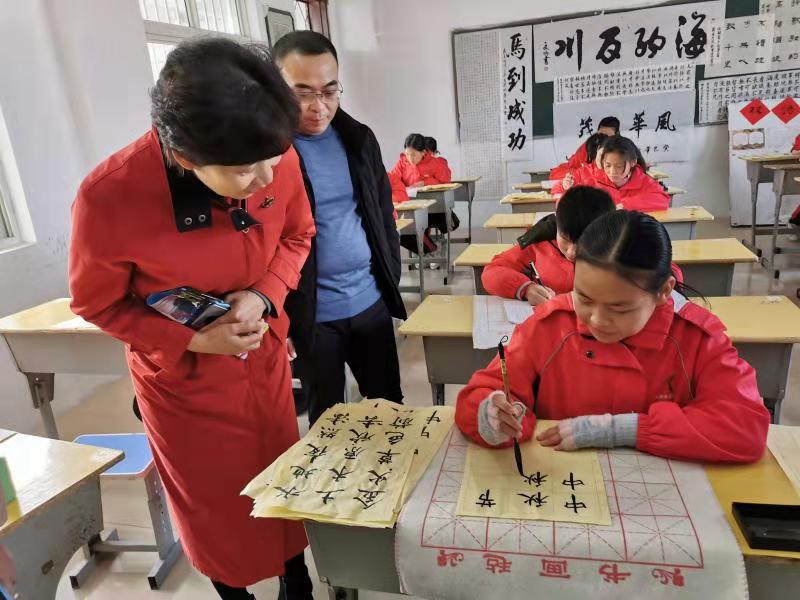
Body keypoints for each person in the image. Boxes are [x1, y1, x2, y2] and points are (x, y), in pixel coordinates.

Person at [69, 38, 315, 599]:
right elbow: (97, 303)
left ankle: (295, 577)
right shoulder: (109, 197)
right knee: (215, 504)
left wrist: (264, 294)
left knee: (282, 476)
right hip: (184, 385)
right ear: (185, 159)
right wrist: (194, 341)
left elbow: (298, 235)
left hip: (263, 358)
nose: (267, 178)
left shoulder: (270, 152)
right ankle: (232, 591)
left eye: (275, 159)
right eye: (245, 172)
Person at [456, 210, 770, 463]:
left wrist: (625, 430)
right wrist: (491, 414)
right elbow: (486, 390)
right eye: (584, 297)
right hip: (561, 482)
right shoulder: (550, 325)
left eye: (619, 308)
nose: (596, 319)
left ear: (664, 291)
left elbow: (745, 428)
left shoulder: (697, 340)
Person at [273, 31, 406, 426]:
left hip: (369, 303)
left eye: (330, 91)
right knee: (327, 421)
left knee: (390, 410)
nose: (319, 107)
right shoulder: (268, 155)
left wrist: (389, 277)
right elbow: (262, 246)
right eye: (302, 93)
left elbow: (382, 215)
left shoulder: (358, 139)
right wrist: (282, 319)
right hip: (312, 315)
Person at [482, 186, 615, 305]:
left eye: (584, 243)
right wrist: (526, 288)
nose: (571, 252)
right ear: (557, 227)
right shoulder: (538, 245)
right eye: (565, 239)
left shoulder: (617, 252)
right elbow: (491, 272)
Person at [555, 136, 669, 212]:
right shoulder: (589, 175)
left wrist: (623, 206)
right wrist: (565, 188)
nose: (612, 171)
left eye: (619, 166)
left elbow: (662, 199)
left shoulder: (642, 180)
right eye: (608, 165)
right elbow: (561, 199)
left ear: (633, 162)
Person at [550, 116, 620, 180]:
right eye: (601, 135)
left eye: (608, 137)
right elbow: (555, 173)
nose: (603, 139)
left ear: (617, 135)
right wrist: (583, 174)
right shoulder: (589, 146)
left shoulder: (622, 150)